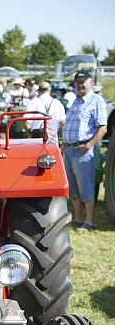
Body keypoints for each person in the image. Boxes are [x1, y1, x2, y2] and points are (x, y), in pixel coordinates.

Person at [62, 69, 107, 232]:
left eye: (83, 81)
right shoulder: (76, 100)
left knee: (85, 186)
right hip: (68, 150)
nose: (80, 84)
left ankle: (89, 221)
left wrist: (89, 145)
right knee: (72, 187)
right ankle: (78, 218)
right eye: (77, 82)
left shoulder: (96, 100)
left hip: (82, 150)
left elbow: (103, 127)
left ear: (91, 82)